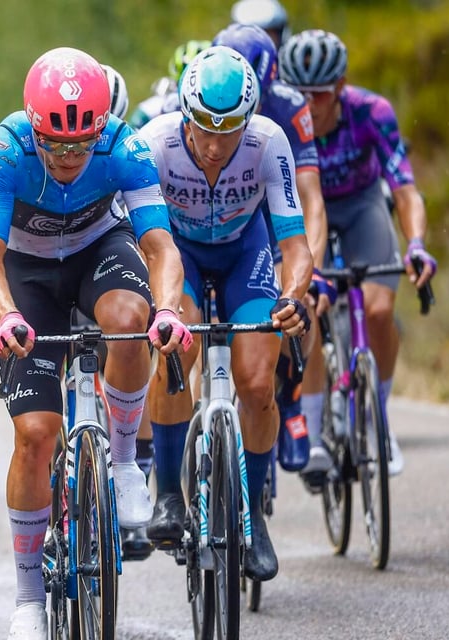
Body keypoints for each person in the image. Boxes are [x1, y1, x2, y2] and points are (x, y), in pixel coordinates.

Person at [0, 47, 191, 639]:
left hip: (99, 251)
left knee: (130, 317)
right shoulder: (4, 149)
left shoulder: (124, 145)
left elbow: (161, 246)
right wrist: (7, 315)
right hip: (28, 272)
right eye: (56, 146)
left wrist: (168, 309)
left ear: (100, 128)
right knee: (36, 435)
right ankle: (28, 600)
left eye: (81, 145)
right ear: (33, 128)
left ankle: (123, 463)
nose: (69, 158)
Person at [141, 46, 312, 583]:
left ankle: (253, 517)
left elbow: (295, 245)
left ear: (249, 121)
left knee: (258, 384)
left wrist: (293, 295)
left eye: (230, 131)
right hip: (180, 255)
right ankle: (169, 494)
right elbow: (140, 238)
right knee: (177, 347)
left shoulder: (269, 142)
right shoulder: (156, 142)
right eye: (204, 129)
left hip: (245, 252)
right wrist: (160, 305)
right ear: (185, 114)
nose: (215, 146)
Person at [279, 29, 437, 477]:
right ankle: (312, 431)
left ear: (341, 87)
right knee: (306, 306)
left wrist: (416, 244)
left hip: (361, 205)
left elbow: (404, 190)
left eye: (320, 94)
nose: (309, 104)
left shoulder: (371, 112)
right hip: (304, 213)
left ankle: (375, 419)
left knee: (379, 309)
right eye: (299, 93)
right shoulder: (279, 119)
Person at [213, 22, 331, 474]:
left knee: (301, 304)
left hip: (277, 210)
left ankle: (293, 393)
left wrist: (311, 272)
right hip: (225, 211)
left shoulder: (289, 107)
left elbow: (311, 197)